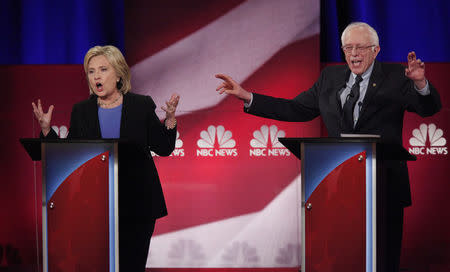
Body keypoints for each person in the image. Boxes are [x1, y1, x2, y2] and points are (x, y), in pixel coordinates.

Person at [215, 22, 441, 271]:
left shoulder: (396, 76)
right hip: (338, 187)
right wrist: (248, 97)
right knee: (341, 257)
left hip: (383, 185)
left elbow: (427, 109)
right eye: (348, 48)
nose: (353, 53)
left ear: (376, 50)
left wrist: (420, 84)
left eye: (360, 47)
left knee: (382, 259)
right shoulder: (329, 77)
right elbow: (296, 109)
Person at [32, 45, 180, 271]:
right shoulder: (81, 111)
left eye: (103, 69)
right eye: (91, 71)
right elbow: (70, 155)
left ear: (119, 74)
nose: (96, 76)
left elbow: (164, 147)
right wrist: (46, 131)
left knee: (131, 265)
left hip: (137, 204)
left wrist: (169, 120)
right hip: (94, 205)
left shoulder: (141, 105)